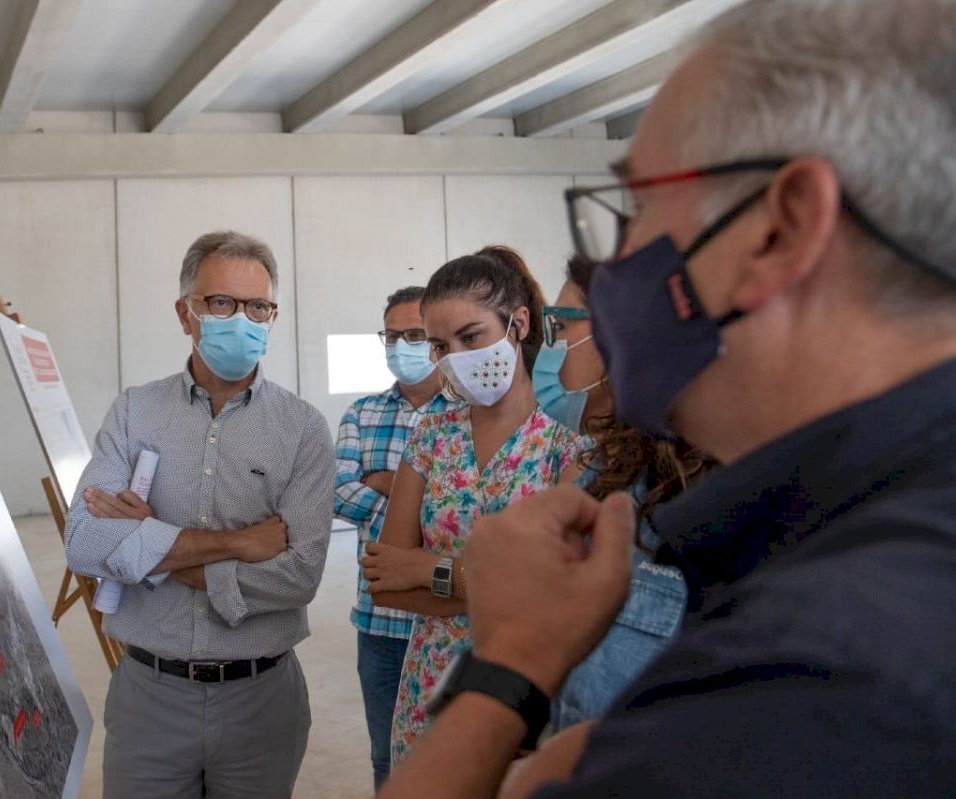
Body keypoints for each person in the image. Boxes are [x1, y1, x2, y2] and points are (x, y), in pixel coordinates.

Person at [378, 1, 956, 796]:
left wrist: (508, 667)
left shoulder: (817, 666)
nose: (611, 266)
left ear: (780, 229)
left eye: (640, 206)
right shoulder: (854, 534)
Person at [64, 230, 333, 799]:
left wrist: (146, 546)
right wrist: (238, 544)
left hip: (263, 699)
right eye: (222, 302)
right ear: (185, 313)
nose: (242, 320)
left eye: (257, 307)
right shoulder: (135, 412)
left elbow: (298, 577)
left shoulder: (303, 429)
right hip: (149, 696)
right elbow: (85, 542)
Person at [363, 246, 588, 767]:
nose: (457, 359)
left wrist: (429, 570)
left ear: (518, 324)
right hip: (430, 685)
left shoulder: (567, 441)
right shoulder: (431, 436)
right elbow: (385, 582)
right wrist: (502, 588)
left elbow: (562, 592)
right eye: (441, 346)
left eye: (471, 337)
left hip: (529, 692)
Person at [533, 256, 710, 731]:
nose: (551, 350)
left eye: (560, 327)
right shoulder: (598, 475)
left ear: (623, 333)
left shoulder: (708, 500)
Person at [333, 285, 457, 789]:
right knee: (388, 760)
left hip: (452, 617)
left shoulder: (466, 412)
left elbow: (472, 506)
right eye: (391, 336)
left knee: (459, 761)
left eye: (414, 335)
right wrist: (426, 506)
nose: (401, 346)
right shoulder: (362, 413)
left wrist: (386, 484)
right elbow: (338, 493)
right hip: (380, 622)